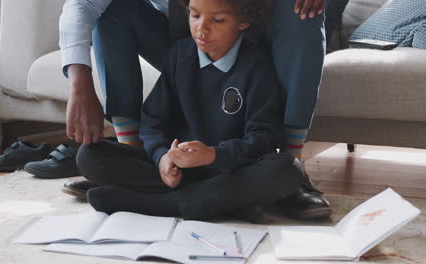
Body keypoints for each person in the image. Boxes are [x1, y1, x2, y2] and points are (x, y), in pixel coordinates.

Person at [59, 0, 331, 219]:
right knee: (90, 156)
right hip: (193, 156)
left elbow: (261, 138)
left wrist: (214, 155)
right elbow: (154, 121)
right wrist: (162, 155)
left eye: (215, 20)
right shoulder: (181, 55)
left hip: (232, 156)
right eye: (195, 16)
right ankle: (229, 199)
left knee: (285, 172)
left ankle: (149, 199)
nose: (202, 28)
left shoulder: (257, 67)